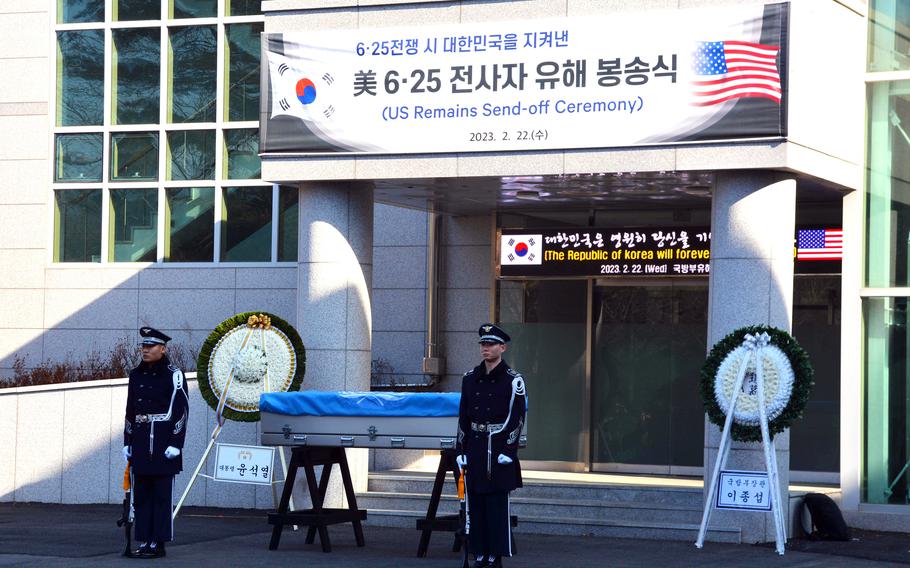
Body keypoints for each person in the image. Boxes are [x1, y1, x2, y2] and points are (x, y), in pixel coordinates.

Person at [457, 323, 527, 568]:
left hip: (498, 448)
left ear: (502, 347)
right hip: (475, 446)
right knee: (474, 504)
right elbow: (464, 416)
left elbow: (516, 417)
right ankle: (478, 552)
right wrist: (460, 450)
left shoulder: (513, 380)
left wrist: (508, 450)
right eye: (483, 344)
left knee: (495, 505)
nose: (485, 348)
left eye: (490, 344)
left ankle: (494, 554)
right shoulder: (469, 378)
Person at [123, 327, 189, 559]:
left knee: (161, 495)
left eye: (151, 346)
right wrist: (127, 441)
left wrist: (176, 442)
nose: (145, 350)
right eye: (143, 346)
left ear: (163, 349)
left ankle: (158, 543)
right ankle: (145, 540)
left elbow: (181, 410)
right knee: (142, 496)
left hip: (163, 441)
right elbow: (130, 410)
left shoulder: (174, 374)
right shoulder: (135, 375)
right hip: (141, 439)